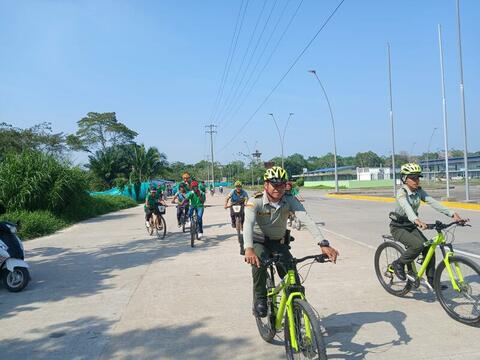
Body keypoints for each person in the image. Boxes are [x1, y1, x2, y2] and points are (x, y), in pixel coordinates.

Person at [243, 166, 339, 317]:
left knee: (292, 277)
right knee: (258, 263)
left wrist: (323, 243)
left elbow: (306, 219)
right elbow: (247, 224)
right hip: (259, 242)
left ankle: (297, 308)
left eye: (281, 184)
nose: (278, 188)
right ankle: (260, 299)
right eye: (274, 184)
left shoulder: (289, 200)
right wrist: (248, 248)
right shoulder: (255, 202)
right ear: (265, 185)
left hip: (279, 243)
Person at [390, 163, 467, 287]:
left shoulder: (419, 191)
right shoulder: (402, 192)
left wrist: (452, 214)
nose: (417, 180)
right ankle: (398, 263)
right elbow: (406, 207)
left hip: (411, 226)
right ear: (404, 178)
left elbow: (433, 202)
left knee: (429, 247)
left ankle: (432, 280)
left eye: (418, 177)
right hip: (398, 227)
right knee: (417, 246)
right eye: (413, 178)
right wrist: (417, 220)